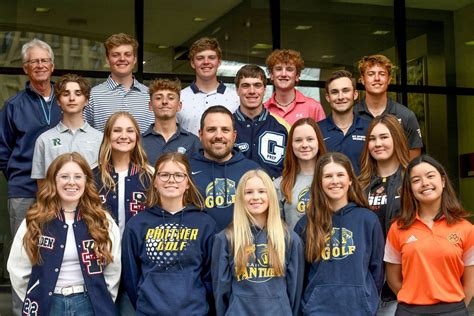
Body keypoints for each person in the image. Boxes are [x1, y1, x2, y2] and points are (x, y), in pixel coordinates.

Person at [7, 152, 121, 316]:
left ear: (86, 181)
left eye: (78, 176)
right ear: (54, 180)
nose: (71, 182)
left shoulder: (102, 220)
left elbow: (114, 268)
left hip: (90, 303)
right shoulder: (36, 219)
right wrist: (35, 296)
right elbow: (18, 268)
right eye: (64, 176)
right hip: (48, 304)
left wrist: (101, 298)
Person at [122, 152, 216, 315]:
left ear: (188, 183)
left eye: (179, 175)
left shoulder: (205, 224)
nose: (171, 180)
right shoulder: (137, 225)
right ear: (155, 182)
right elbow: (131, 276)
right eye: (164, 175)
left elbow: (210, 276)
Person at [294, 152, 385, 315]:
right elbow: (299, 275)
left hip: (359, 310)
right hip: (317, 310)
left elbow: (377, 270)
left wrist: (366, 300)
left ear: (350, 180)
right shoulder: (305, 225)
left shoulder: (367, 220)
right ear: (319, 182)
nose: (335, 181)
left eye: (340, 175)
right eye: (328, 176)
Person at [385, 155, 473, 316]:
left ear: (443, 181)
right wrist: (414, 301)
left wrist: (455, 309)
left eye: (430, 176)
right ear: (410, 188)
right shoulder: (397, 228)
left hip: (453, 311)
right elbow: (393, 279)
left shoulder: (466, 228)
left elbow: (470, 282)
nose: (425, 183)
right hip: (409, 311)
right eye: (416, 180)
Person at [212, 169, 304, 316]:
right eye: (248, 192)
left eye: (262, 191)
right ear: (240, 197)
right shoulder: (226, 238)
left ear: (271, 195)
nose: (256, 197)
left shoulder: (289, 239)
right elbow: (221, 290)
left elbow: (295, 291)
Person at [0, 38, 61, 235]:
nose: (40, 65)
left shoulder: (66, 101)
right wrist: (19, 175)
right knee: (22, 250)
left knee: (57, 251)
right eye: (34, 62)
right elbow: (3, 151)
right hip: (24, 191)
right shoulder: (13, 106)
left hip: (63, 190)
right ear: (26, 68)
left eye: (44, 60)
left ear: (52, 66)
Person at [358, 114, 410, 314]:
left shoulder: (411, 180)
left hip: (404, 283)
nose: (377, 144)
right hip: (369, 283)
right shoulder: (359, 184)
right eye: (372, 139)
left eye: (384, 137)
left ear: (396, 139)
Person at [189, 105, 259, 232]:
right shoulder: (185, 170)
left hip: (242, 247)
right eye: (211, 130)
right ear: (200, 134)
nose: (218, 136)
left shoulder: (252, 171)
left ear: (234, 135)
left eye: (225, 130)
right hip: (198, 248)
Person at [32, 74, 102, 187]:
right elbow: (41, 183)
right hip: (55, 203)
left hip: (90, 203)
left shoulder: (100, 139)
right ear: (58, 101)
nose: (72, 98)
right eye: (66, 94)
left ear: (86, 101)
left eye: (78, 94)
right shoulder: (44, 140)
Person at [354, 54, 423, 160]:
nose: (377, 78)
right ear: (362, 80)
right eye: (371, 74)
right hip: (360, 176)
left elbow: (413, 160)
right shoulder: (352, 115)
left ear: (389, 79)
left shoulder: (406, 116)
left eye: (382, 74)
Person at [94, 111, 153, 235]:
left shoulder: (150, 176)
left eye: (130, 131)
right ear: (107, 136)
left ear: (137, 137)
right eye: (117, 130)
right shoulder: (92, 176)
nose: (124, 136)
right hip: (103, 249)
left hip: (140, 250)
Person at [84, 33, 153, 132]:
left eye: (127, 54)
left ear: (135, 59)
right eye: (116, 55)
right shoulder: (92, 96)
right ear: (107, 60)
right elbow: (85, 135)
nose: (122, 59)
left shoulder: (150, 95)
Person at [233, 64, 290, 179]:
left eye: (257, 85)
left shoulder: (282, 127)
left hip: (273, 195)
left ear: (264, 90)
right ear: (237, 90)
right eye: (245, 86)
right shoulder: (226, 126)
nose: (252, 91)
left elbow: (291, 168)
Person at [178, 37, 239, 135]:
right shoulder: (179, 98)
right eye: (200, 58)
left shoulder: (236, 98)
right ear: (193, 63)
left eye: (211, 57)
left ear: (218, 62)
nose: (206, 62)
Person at [274, 118, 326, 230]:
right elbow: (277, 229)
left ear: (319, 142)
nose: (304, 145)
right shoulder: (279, 185)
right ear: (291, 145)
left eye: (310, 139)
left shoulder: (332, 179)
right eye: (298, 140)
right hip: (296, 246)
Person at [319, 70, 370, 174]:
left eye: (345, 91)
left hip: (363, 190)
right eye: (334, 92)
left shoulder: (370, 128)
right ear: (328, 97)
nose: (341, 97)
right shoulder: (317, 131)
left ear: (355, 94)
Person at [142, 78, 201, 166]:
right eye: (158, 98)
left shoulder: (193, 142)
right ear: (150, 106)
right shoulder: (139, 142)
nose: (165, 102)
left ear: (179, 106)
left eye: (171, 98)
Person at [264, 49, 325, 125]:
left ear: (297, 76)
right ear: (271, 75)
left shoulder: (313, 107)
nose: (283, 74)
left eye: (289, 69)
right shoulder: (263, 110)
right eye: (279, 69)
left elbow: (322, 136)